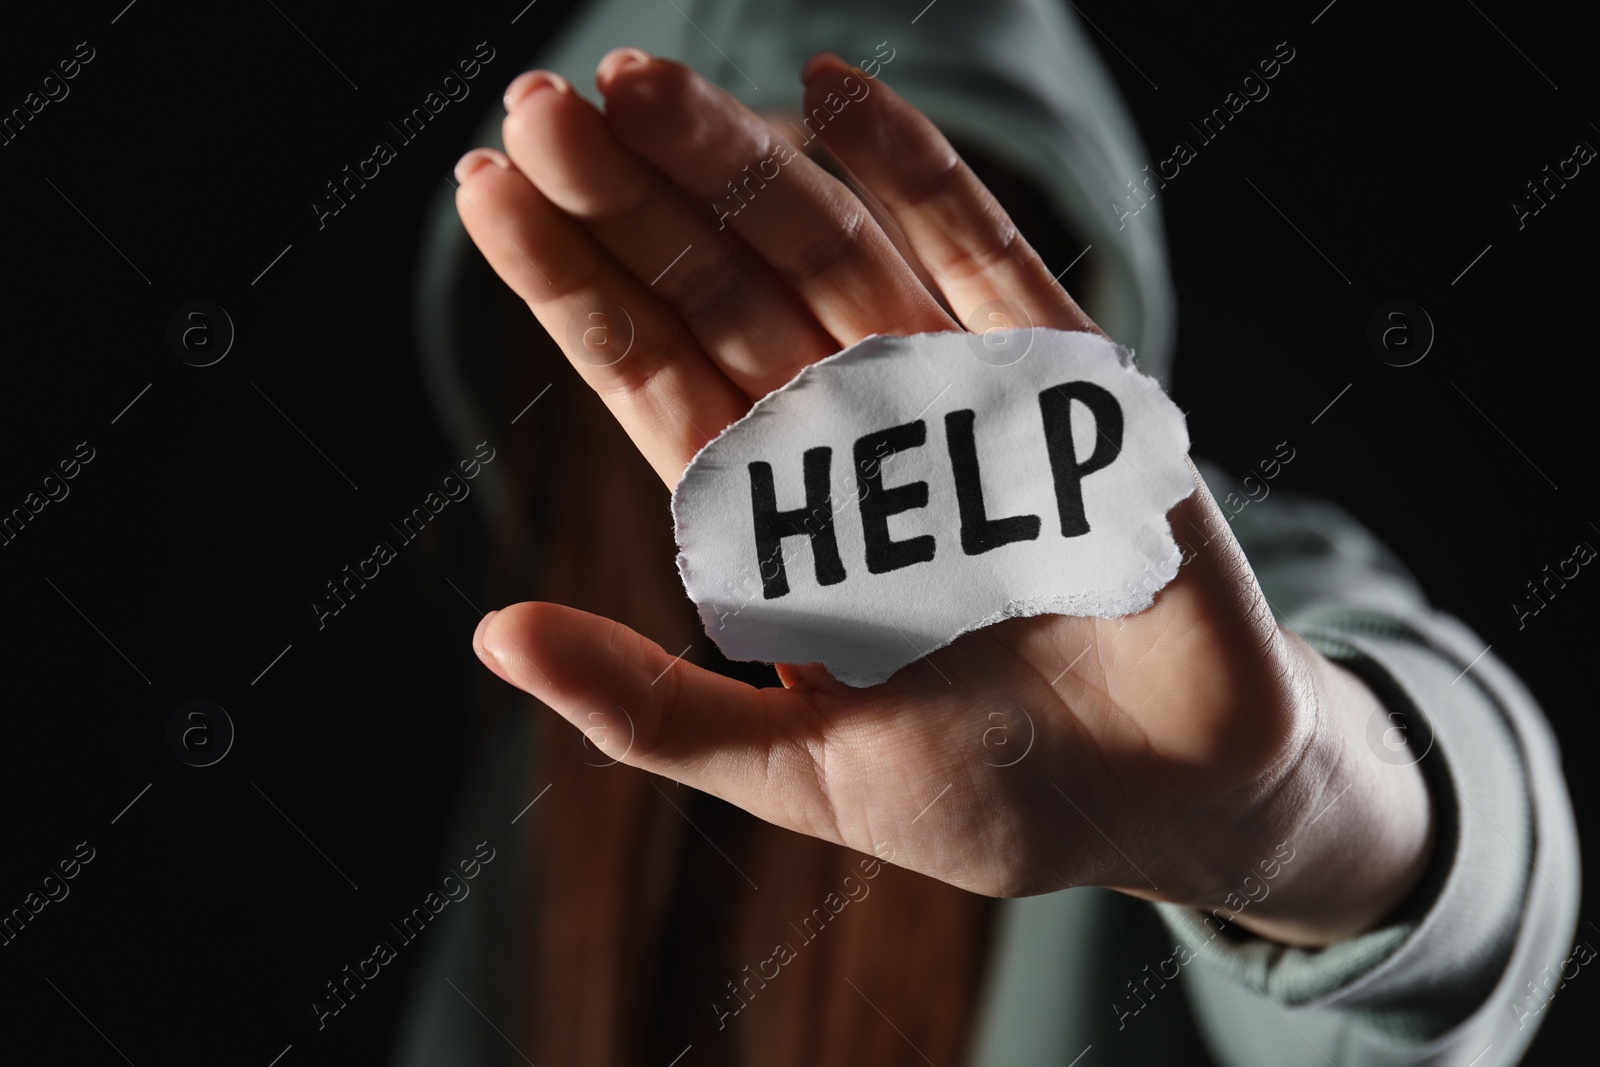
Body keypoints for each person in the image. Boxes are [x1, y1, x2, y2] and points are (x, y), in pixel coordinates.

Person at [395, 1, 1580, 1063]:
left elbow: (1461, 809)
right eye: (686, 277)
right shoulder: (561, 774)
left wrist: (1284, 808)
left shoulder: (1167, 598)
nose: (812, 384)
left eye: (840, 229)